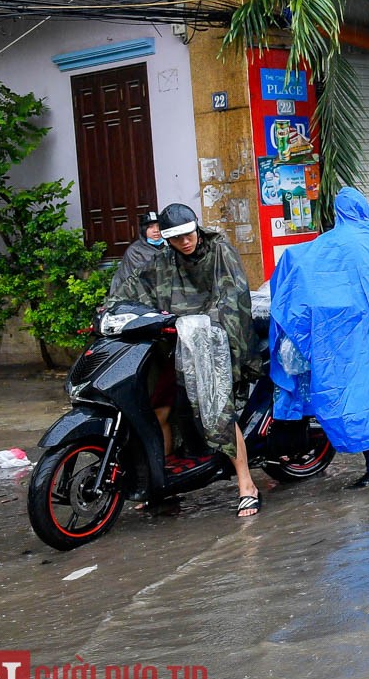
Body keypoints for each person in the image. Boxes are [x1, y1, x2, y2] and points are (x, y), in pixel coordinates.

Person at [107, 203, 263, 518]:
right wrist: (111, 310)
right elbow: (130, 289)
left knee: (217, 409)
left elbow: (232, 296)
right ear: (166, 239)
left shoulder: (220, 252)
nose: (185, 242)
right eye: (176, 238)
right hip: (175, 346)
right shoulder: (162, 262)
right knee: (157, 410)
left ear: (196, 227)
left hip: (216, 345)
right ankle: (161, 483)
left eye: (188, 234)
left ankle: (247, 483)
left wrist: (202, 323)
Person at [269, 188, 369, 490]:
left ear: (338, 213)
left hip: (353, 339)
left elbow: (304, 262)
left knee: (359, 401)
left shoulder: (334, 243)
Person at [109, 210, 167, 293]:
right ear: (144, 230)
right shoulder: (135, 251)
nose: (156, 230)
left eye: (158, 226)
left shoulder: (166, 247)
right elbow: (140, 278)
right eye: (151, 227)